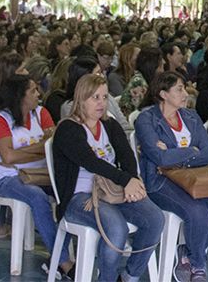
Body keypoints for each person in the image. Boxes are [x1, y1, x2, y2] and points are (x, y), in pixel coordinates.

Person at [52, 74, 163, 282]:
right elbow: (90, 162)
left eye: (104, 97)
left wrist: (131, 179)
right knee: (117, 228)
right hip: (79, 198)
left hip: (111, 190)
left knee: (155, 218)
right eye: (95, 98)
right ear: (81, 99)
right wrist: (126, 180)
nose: (101, 103)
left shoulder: (109, 124)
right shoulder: (68, 129)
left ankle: (129, 276)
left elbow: (127, 155)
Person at [135, 72, 208, 282]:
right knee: (198, 213)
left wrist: (174, 155)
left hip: (197, 177)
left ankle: (189, 252)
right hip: (160, 181)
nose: (186, 93)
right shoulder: (147, 119)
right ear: (163, 94)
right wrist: (192, 150)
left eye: (184, 88)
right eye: (179, 89)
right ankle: (197, 265)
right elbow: (158, 157)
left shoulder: (191, 116)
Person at [0, 74, 74, 279]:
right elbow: (8, 157)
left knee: (72, 191)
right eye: (33, 90)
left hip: (42, 173)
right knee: (37, 197)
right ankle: (63, 260)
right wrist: (41, 147)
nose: (39, 93)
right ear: (20, 95)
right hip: (8, 178)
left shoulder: (40, 114)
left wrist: (31, 151)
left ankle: (61, 248)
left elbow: (55, 145)